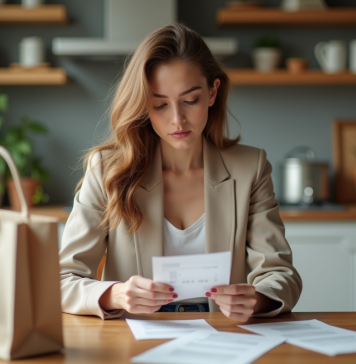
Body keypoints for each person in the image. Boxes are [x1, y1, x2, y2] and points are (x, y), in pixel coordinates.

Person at [59, 23, 302, 322]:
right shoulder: (107, 169)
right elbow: (63, 279)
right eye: (159, 104)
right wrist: (117, 293)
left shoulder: (250, 168)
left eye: (190, 100)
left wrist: (259, 299)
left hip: (224, 334)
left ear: (213, 92)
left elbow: (281, 274)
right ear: (143, 106)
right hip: (135, 337)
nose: (177, 119)